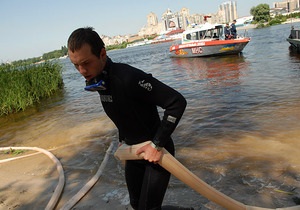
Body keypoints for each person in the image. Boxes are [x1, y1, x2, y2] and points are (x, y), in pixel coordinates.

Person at [67, 27, 191, 210]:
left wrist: (156, 145)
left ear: (102, 54)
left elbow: (177, 103)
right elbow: (124, 112)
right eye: (76, 65)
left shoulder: (128, 78)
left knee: (148, 208)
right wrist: (122, 139)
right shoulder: (100, 80)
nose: (82, 71)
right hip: (133, 151)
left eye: (86, 63)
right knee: (136, 205)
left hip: (157, 153)